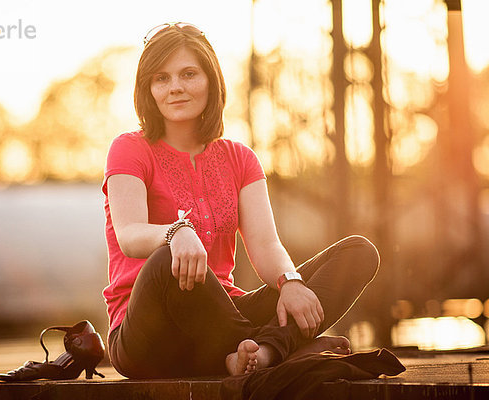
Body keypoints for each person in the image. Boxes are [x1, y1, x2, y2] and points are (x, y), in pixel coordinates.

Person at [101, 22, 380, 379]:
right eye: (161, 78)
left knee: (357, 252)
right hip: (147, 335)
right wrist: (176, 232)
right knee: (166, 262)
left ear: (211, 80)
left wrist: (290, 282)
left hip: (223, 320)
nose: (175, 88)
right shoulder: (129, 148)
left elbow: (266, 246)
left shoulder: (240, 158)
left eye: (188, 74)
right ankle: (281, 349)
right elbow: (129, 234)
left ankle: (260, 354)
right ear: (148, 89)